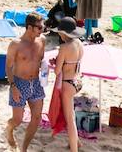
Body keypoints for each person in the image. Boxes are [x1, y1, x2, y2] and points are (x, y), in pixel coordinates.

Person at [5, 13, 47, 152]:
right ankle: (9, 128)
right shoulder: (16, 44)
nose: (43, 29)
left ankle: (24, 148)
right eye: (40, 27)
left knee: (36, 118)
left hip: (36, 83)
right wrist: (13, 87)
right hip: (19, 83)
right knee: (17, 120)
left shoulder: (42, 41)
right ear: (30, 27)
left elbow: (40, 60)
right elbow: (8, 67)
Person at [52, 18, 83, 152]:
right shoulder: (79, 43)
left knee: (70, 120)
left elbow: (57, 71)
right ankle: (78, 143)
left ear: (64, 33)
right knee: (70, 115)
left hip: (67, 84)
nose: (59, 35)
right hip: (77, 81)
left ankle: (74, 149)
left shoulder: (64, 48)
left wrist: (56, 63)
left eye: (60, 33)